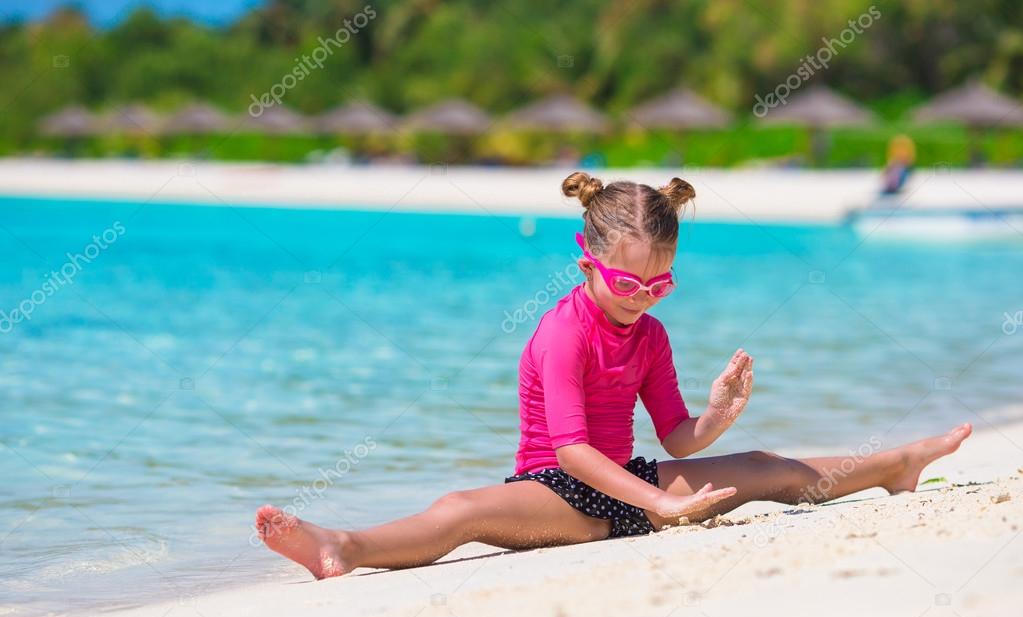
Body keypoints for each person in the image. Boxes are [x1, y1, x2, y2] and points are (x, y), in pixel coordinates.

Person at [254, 172, 972, 579]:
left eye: (658, 286)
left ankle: (895, 464)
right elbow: (568, 452)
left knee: (766, 466)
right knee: (460, 509)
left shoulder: (649, 334)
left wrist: (715, 416)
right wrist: (658, 507)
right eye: (626, 283)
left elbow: (676, 439)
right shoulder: (560, 330)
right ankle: (341, 544)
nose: (639, 297)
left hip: (633, 483)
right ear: (584, 261)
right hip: (558, 493)